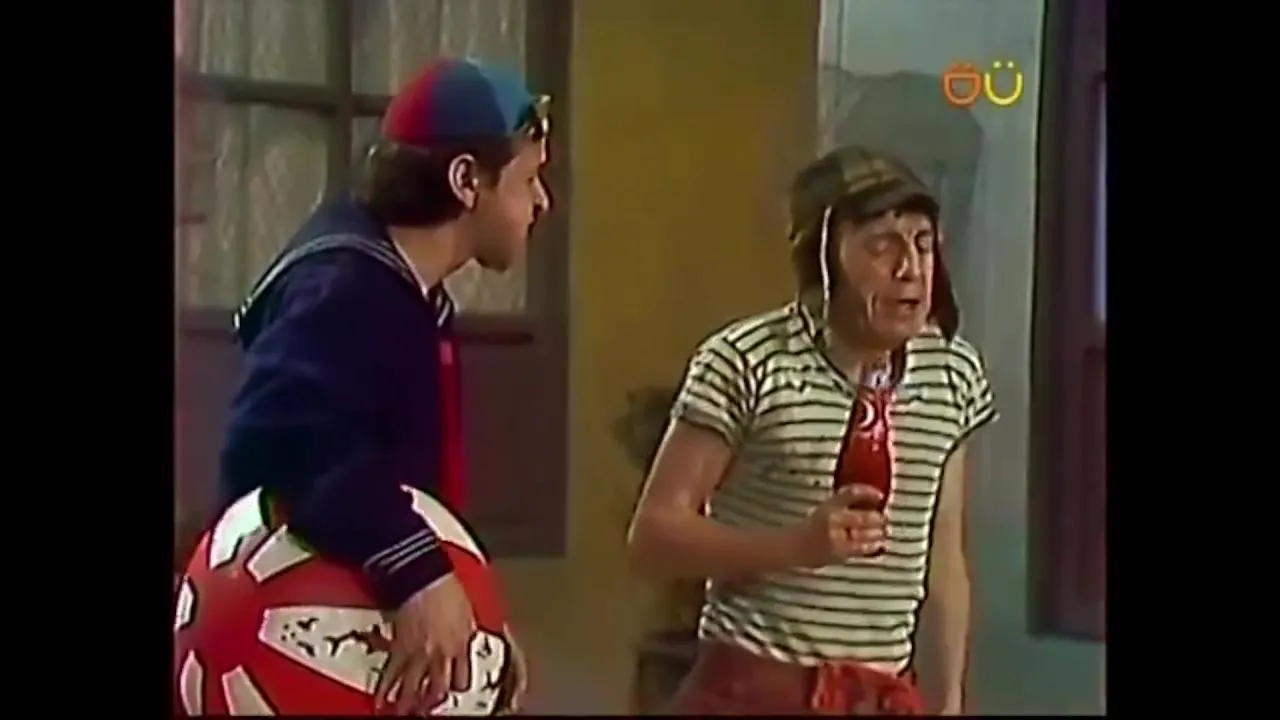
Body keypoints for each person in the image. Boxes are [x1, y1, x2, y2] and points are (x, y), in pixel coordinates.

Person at [175, 57, 551, 716]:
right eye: (528, 179)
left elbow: (406, 487)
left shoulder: (403, 290)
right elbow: (284, 438)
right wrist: (418, 572)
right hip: (293, 647)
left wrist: (473, 613)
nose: (541, 202)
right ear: (467, 180)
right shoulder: (346, 287)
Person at [627, 146, 995, 715]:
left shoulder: (953, 371)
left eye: (923, 244)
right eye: (882, 246)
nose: (910, 270)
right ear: (822, 260)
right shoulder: (746, 361)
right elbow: (653, 538)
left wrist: (949, 702)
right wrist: (796, 547)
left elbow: (944, 555)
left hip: (882, 695)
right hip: (751, 691)